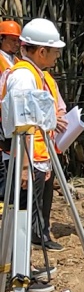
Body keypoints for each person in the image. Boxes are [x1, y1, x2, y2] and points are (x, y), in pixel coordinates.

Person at [1, 18, 68, 292]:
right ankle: (19, 277)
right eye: (54, 51)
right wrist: (27, 167)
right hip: (26, 160)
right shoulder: (23, 77)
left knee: (27, 218)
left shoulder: (34, 74)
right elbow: (22, 124)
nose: (56, 56)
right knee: (22, 219)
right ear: (41, 51)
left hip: (36, 158)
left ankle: (23, 270)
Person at [0, 20, 22, 202]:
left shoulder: (17, 62)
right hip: (2, 114)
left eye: (18, 41)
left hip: (12, 116)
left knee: (10, 157)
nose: (16, 44)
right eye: (12, 40)